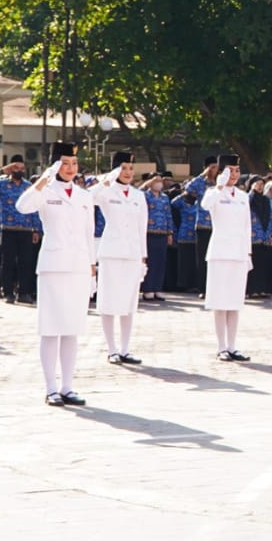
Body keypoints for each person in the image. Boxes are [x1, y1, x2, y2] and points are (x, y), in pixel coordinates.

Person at [16, 142, 96, 407]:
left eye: (74, 163)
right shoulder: (45, 191)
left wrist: (92, 268)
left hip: (78, 268)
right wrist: (43, 180)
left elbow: (88, 234)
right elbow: (22, 206)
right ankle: (51, 387)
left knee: (72, 329)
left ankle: (67, 387)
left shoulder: (85, 196)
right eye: (64, 163)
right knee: (50, 329)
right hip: (53, 266)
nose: (70, 168)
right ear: (54, 165)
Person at [92, 151, 148, 366]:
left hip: (132, 253)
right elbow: (89, 198)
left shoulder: (138, 195)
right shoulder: (106, 191)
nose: (128, 173)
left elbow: (142, 228)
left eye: (130, 169)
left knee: (128, 302)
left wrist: (143, 256)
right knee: (108, 301)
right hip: (111, 252)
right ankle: (112, 349)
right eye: (123, 168)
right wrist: (105, 180)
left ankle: (125, 348)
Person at [200, 154, 252, 361]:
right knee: (220, 301)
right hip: (220, 253)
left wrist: (248, 253)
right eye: (230, 171)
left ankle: (232, 345)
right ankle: (221, 346)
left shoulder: (242, 196)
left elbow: (247, 226)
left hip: (238, 252)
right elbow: (205, 205)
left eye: (237, 171)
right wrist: (219, 186)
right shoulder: (214, 193)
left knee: (235, 302)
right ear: (221, 172)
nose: (234, 175)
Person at [0, 155, 41, 304]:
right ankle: (8, 292)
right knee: (8, 262)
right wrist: (1, 171)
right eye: (16, 168)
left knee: (26, 262)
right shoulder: (2, 184)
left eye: (22, 168)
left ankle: (24, 293)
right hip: (8, 229)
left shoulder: (28, 186)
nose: (19, 171)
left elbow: (34, 208)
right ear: (11, 168)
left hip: (26, 229)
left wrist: (36, 229)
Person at [185, 156, 218, 298]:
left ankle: (217, 289)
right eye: (212, 167)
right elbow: (188, 189)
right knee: (203, 259)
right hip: (203, 225)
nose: (215, 170)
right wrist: (203, 175)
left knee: (218, 259)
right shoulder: (200, 183)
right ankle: (204, 289)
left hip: (219, 226)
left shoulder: (221, 183)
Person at [141, 173, 172, 301]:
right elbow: (136, 193)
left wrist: (170, 232)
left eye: (160, 181)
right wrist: (146, 185)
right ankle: (148, 289)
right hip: (149, 232)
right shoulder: (144, 195)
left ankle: (158, 288)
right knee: (150, 262)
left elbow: (168, 214)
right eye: (156, 181)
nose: (159, 183)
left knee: (160, 261)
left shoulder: (165, 197)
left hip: (162, 232)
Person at [171, 187, 198, 292]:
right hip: (184, 233)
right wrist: (184, 194)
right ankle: (184, 284)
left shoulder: (200, 201)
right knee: (184, 261)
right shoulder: (182, 201)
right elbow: (173, 203)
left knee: (195, 261)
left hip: (196, 234)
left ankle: (195, 284)